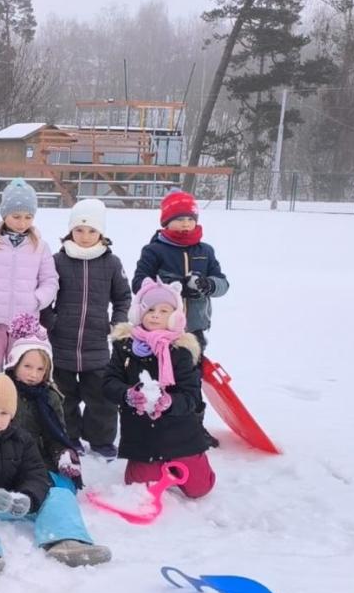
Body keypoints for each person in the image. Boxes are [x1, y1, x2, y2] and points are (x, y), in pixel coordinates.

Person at [0, 374, 112, 577]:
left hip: (13, 502)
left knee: (60, 494)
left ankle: (65, 541)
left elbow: (36, 474)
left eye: (3, 413)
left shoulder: (22, 439)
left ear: (12, 414)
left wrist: (29, 497)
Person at [103, 278, 215, 499]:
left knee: (200, 489)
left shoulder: (183, 351)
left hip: (181, 434)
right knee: (138, 489)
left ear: (175, 317)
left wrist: (170, 402)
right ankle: (156, 466)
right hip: (143, 437)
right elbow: (108, 383)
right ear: (139, 313)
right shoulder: (124, 347)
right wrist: (127, 395)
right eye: (150, 309)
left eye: (164, 311)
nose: (155, 315)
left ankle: (186, 461)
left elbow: (191, 396)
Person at [46, 198, 131, 459]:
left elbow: (123, 297)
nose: (85, 236)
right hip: (63, 343)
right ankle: (70, 437)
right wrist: (51, 321)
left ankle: (102, 439)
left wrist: (116, 324)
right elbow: (43, 295)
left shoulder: (111, 263)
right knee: (64, 396)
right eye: (79, 230)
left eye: (92, 231)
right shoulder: (56, 261)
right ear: (70, 231)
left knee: (102, 398)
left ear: (101, 234)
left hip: (96, 344)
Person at [0, 178, 59, 371]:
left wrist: (37, 300)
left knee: (20, 369)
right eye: (16, 216)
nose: (22, 223)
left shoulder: (40, 246)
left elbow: (50, 281)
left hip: (25, 323)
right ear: (5, 214)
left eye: (28, 217)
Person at [131, 190, 229, 352]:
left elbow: (223, 284)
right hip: (160, 326)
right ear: (166, 222)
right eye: (179, 219)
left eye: (190, 219)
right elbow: (138, 284)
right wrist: (174, 287)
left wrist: (208, 285)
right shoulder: (154, 250)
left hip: (194, 328)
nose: (186, 223)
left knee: (191, 373)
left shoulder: (205, 251)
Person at [2, 314, 86, 490]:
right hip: (2, 456)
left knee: (64, 487)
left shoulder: (50, 397)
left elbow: (55, 436)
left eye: (40, 369)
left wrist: (63, 454)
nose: (33, 374)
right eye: (27, 366)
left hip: (37, 458)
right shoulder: (3, 390)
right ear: (15, 364)